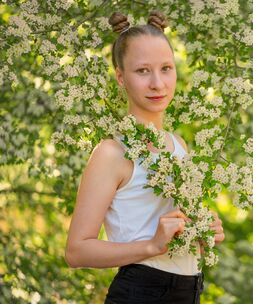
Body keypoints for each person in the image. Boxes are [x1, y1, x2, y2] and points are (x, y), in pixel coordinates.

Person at [64, 10, 225, 304]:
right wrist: (151, 246)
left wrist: (203, 229)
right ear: (121, 78)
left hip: (189, 292)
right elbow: (76, 251)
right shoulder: (112, 153)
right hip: (141, 292)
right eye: (142, 71)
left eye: (166, 68)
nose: (158, 83)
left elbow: (176, 231)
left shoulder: (178, 145)